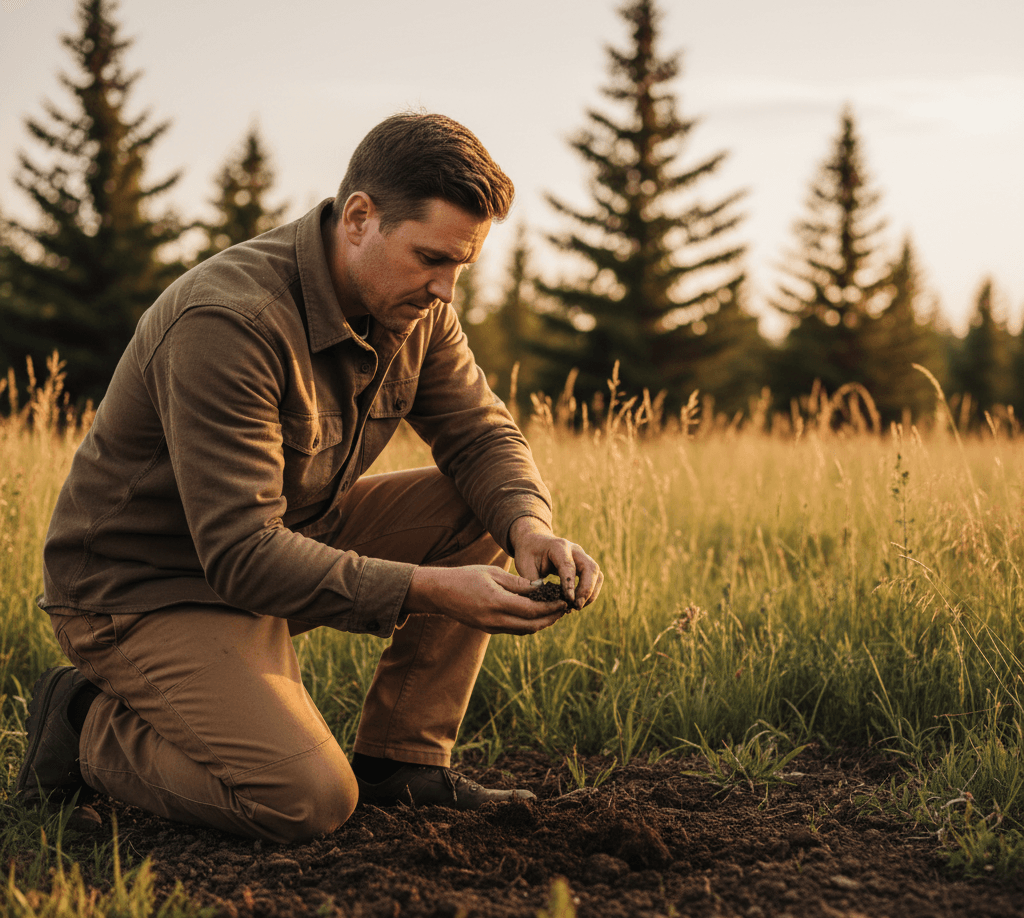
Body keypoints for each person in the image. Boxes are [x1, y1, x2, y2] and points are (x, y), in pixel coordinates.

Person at [15, 112, 603, 843]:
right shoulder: (228, 322)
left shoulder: (412, 306)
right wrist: (429, 588)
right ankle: (85, 725)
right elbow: (238, 552)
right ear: (360, 217)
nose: (446, 290)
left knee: (482, 507)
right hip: (146, 589)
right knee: (308, 800)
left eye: (461, 265)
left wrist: (528, 526)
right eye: (431, 259)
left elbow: (479, 433)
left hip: (281, 541)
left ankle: (402, 763)